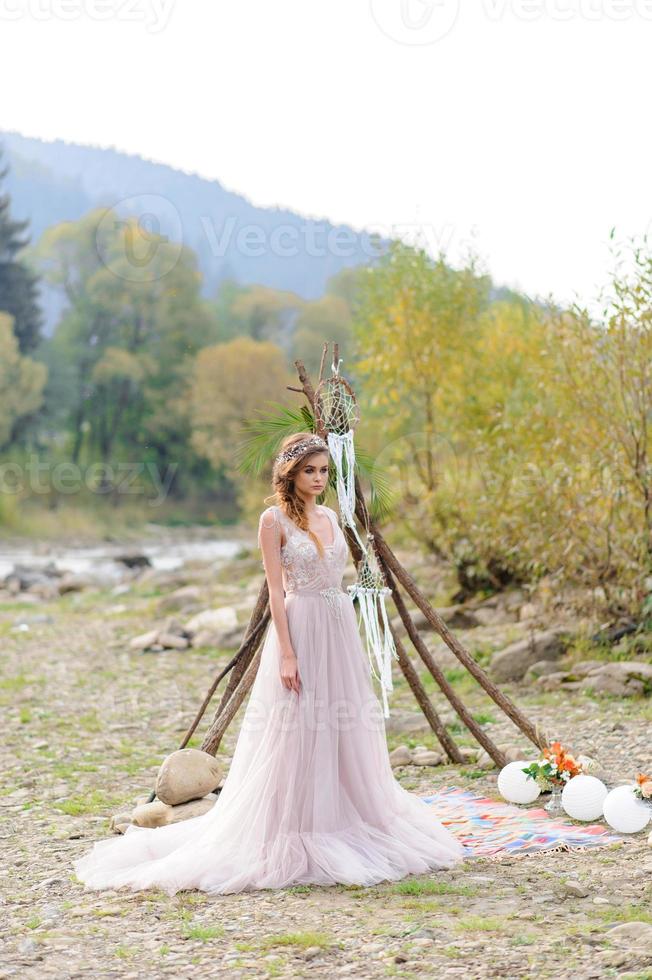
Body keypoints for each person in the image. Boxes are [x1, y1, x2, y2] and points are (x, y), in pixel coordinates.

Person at [73, 432, 465, 896]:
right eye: (309, 471)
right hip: (300, 625)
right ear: (289, 473)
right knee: (296, 722)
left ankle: (344, 811)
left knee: (342, 720)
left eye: (323, 471)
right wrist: (288, 652)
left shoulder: (333, 517)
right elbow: (277, 591)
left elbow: (338, 576)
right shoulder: (273, 520)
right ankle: (296, 822)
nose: (318, 479)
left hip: (339, 626)